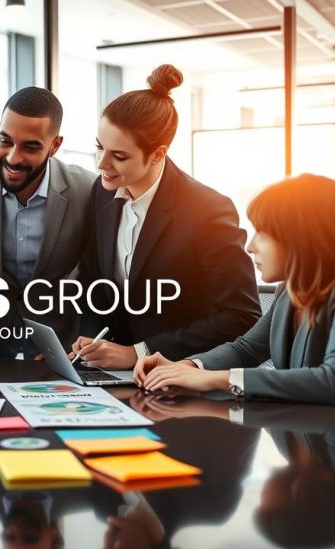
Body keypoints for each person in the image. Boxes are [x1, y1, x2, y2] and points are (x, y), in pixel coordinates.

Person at [134, 174, 335, 431]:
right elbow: (247, 349)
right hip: (296, 435)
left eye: (262, 233)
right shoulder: (291, 289)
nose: (250, 246)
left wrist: (215, 380)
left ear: (302, 237)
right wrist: (188, 368)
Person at [73, 64, 260, 370]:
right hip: (114, 374)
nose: (101, 163)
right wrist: (93, 339)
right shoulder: (103, 192)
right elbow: (96, 280)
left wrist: (139, 352)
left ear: (158, 154)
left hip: (178, 374)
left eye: (119, 156)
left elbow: (241, 316)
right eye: (99, 147)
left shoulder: (208, 210)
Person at [0, 87, 96, 361]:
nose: (13, 158)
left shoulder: (87, 190)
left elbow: (94, 277)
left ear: (55, 145)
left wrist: (81, 347)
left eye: (30, 147)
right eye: (5, 141)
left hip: (60, 344)